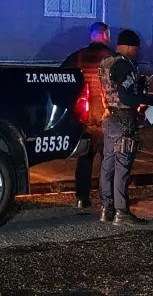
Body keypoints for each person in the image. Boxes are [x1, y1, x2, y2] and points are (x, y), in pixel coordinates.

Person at [98, 29, 153, 225]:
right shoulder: (124, 65)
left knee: (108, 164)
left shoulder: (106, 62)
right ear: (130, 47)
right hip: (124, 119)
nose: (136, 52)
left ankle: (107, 208)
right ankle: (121, 211)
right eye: (135, 49)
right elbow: (126, 97)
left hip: (109, 117)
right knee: (122, 166)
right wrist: (151, 100)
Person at [61, 22, 113, 209]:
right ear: (106, 35)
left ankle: (82, 198)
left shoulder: (78, 56)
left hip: (85, 118)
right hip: (107, 117)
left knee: (84, 159)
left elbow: (62, 78)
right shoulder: (112, 57)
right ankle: (108, 200)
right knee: (109, 161)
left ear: (91, 36)